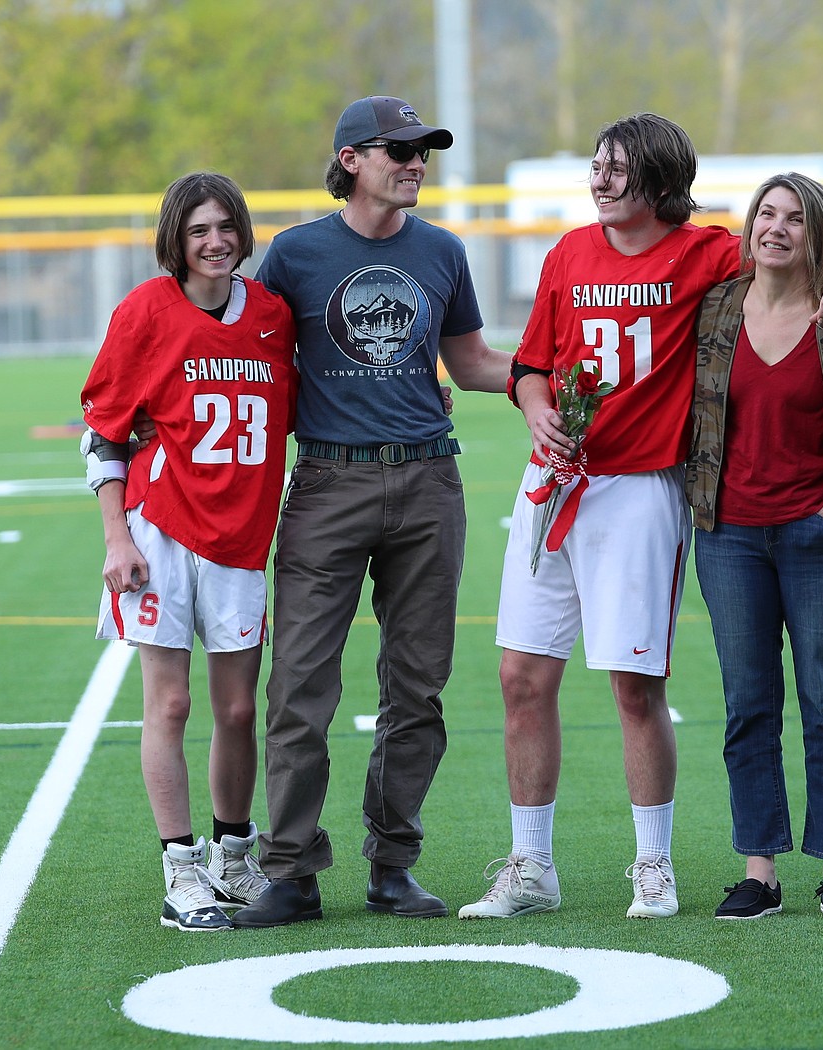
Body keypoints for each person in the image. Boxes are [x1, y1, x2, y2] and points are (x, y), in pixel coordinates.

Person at [458, 114, 823, 922]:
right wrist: (535, 411)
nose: (601, 180)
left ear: (658, 178)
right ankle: (530, 866)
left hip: (642, 487)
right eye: (597, 166)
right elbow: (536, 366)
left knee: (634, 685)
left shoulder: (707, 251)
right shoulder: (567, 252)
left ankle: (654, 865)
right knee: (520, 676)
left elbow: (799, 252)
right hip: (554, 484)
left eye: (618, 168)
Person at [231, 96, 512, 928]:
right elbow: (243, 355)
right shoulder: (294, 256)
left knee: (417, 690)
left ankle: (394, 865)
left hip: (429, 484)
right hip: (326, 484)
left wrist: (551, 377)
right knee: (300, 688)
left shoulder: (443, 251)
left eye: (424, 150)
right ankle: (290, 871)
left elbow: (470, 364)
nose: (416, 162)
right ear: (352, 158)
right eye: (400, 149)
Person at [686, 172, 823, 920]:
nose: (775, 229)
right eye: (765, 215)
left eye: (793, 220)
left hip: (822, 538)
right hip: (730, 538)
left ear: (818, 234)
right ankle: (760, 871)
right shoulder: (715, 309)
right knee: (748, 704)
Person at [80, 171, 299, 931]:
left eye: (226, 227)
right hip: (159, 530)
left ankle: (233, 854)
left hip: (240, 535)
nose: (215, 242)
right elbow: (105, 433)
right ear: (176, 237)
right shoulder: (145, 311)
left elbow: (307, 400)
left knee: (237, 708)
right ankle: (182, 870)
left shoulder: (272, 315)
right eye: (199, 229)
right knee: (170, 702)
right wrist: (117, 537)